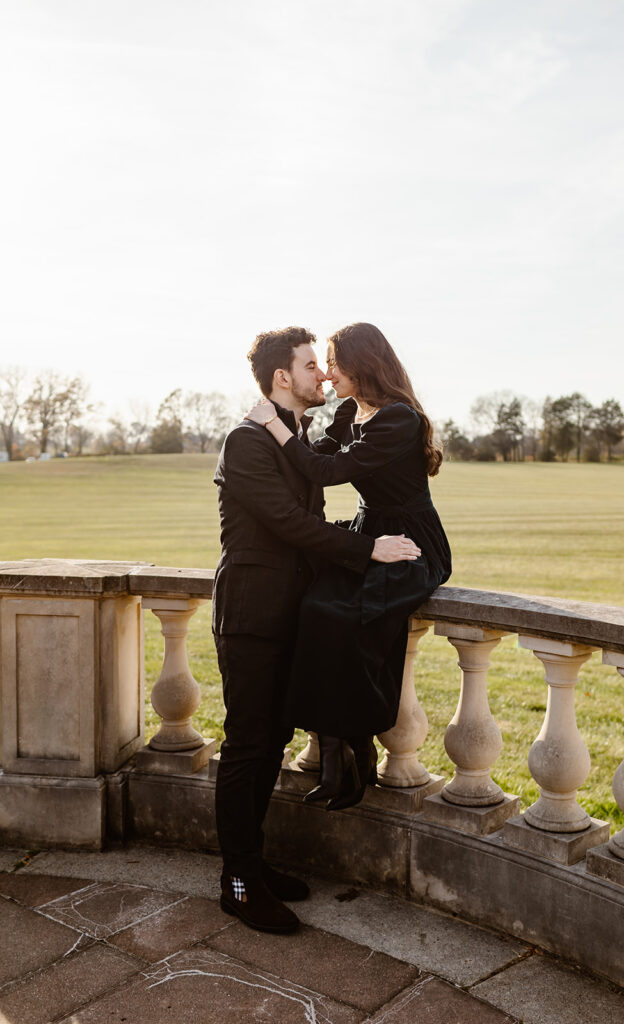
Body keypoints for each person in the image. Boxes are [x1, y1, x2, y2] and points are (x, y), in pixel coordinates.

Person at [213, 325, 421, 935]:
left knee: (274, 741)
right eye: (312, 366)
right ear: (284, 377)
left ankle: (252, 863)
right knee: (248, 745)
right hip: (252, 613)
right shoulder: (245, 441)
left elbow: (317, 505)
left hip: (293, 612)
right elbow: (284, 522)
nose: (324, 376)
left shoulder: (300, 436)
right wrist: (367, 549)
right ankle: (239, 881)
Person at [246, 322, 452, 811]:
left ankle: (355, 754)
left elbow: (326, 472)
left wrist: (272, 425)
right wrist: (290, 433)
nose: (328, 373)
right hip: (367, 534)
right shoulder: (348, 411)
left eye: (335, 362)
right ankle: (339, 755)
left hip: (408, 543)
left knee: (345, 618)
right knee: (317, 609)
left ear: (363, 364)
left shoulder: (398, 418)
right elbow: (315, 457)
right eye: (324, 364)